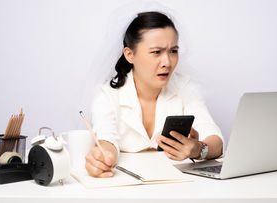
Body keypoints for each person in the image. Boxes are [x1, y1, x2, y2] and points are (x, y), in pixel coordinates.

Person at [85, 11, 224, 178]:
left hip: (177, 186)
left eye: (173, 51)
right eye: (156, 52)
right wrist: (103, 157)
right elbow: (107, 138)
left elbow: (216, 141)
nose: (167, 62)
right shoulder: (108, 94)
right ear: (130, 55)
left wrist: (198, 149)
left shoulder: (185, 88)